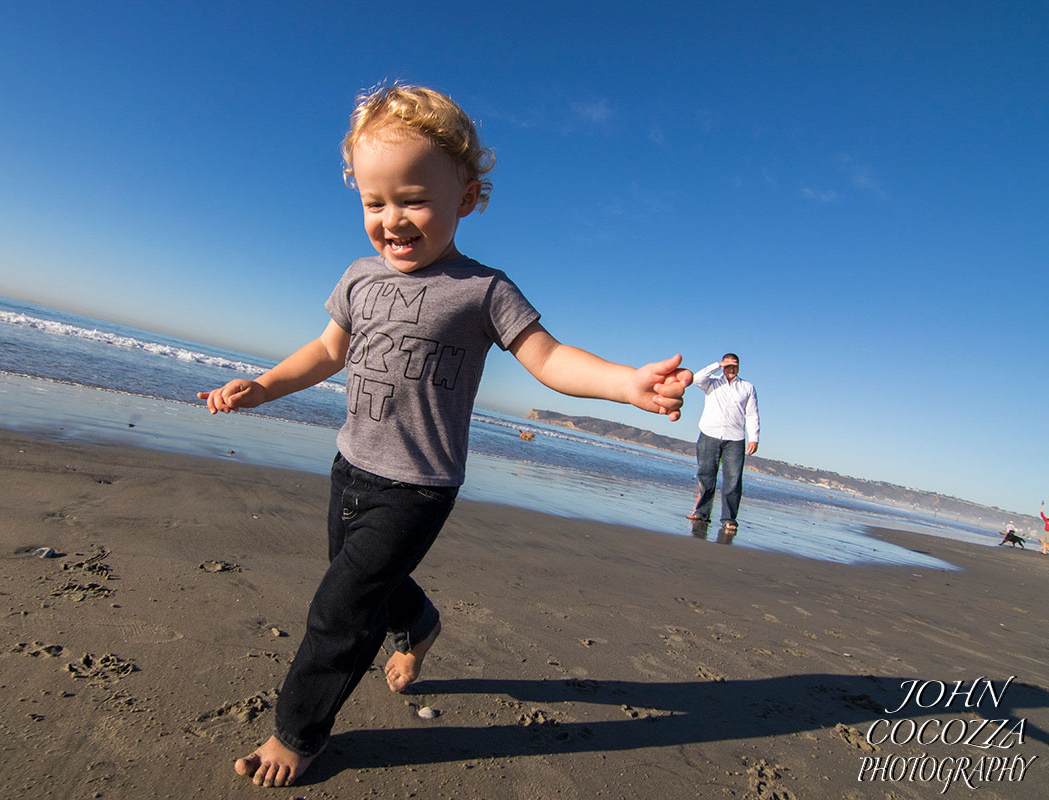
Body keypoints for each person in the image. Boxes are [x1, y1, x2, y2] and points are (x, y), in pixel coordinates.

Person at [197, 84, 693, 788]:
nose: (392, 220)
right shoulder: (359, 279)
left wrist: (626, 383)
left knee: (339, 608)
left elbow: (549, 358)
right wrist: (266, 384)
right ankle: (421, 623)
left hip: (419, 486)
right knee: (366, 586)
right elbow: (327, 350)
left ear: (467, 195)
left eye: (413, 199)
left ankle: (297, 732)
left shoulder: (483, 290)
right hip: (351, 468)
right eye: (375, 202)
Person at [686, 354, 759, 535]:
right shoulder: (712, 382)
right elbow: (697, 378)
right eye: (728, 365)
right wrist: (718, 365)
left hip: (735, 439)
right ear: (723, 366)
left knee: (733, 480)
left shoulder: (747, 387)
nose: (731, 368)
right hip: (709, 434)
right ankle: (701, 513)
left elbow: (752, 414)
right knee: (706, 475)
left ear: (739, 367)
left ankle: (729, 519)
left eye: (735, 365)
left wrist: (754, 437)